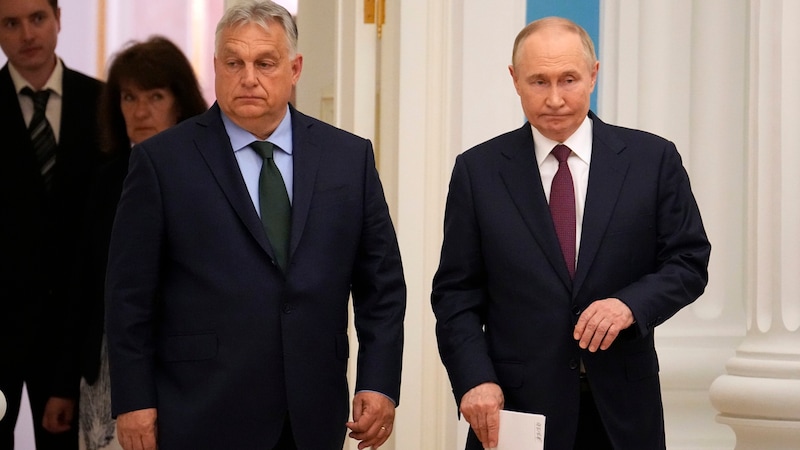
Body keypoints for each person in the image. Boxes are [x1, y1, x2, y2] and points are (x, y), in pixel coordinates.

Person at [104, 1, 406, 449]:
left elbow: (381, 286)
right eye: (234, 63)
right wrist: (133, 401)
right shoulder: (162, 163)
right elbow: (128, 296)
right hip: (199, 409)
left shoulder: (348, 159)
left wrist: (378, 382)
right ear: (215, 67)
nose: (249, 77)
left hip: (312, 412)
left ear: (295, 68)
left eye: (265, 63)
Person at [431, 17, 711, 450]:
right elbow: (455, 294)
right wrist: (474, 380)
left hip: (622, 412)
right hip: (518, 410)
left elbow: (688, 262)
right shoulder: (478, 172)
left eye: (569, 79)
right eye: (539, 82)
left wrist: (629, 305)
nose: (555, 98)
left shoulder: (651, 160)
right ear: (514, 80)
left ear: (594, 74)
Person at [61, 36, 207, 450]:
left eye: (155, 96)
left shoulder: (206, 174)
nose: (140, 111)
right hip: (107, 363)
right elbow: (85, 283)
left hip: (184, 363)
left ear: (180, 102)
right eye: (128, 97)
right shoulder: (106, 181)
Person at [0, 0, 103, 448]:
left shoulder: (102, 102)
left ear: (58, 20)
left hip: (71, 330)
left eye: (37, 19)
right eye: (11, 23)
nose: (27, 34)